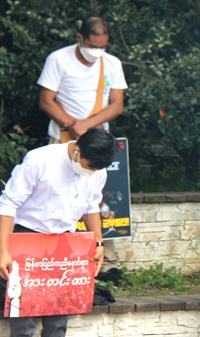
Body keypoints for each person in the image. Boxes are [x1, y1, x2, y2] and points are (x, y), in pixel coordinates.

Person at [0, 128, 117, 337]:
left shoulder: (98, 171)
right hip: (28, 237)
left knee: (59, 314)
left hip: (65, 242)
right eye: (89, 167)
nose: (92, 172)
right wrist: (2, 250)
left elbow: (91, 207)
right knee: (24, 314)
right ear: (77, 150)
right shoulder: (39, 160)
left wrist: (98, 243)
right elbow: (8, 204)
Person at [37, 16, 127, 275]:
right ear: (80, 38)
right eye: (92, 46)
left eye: (103, 47)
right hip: (63, 139)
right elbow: (46, 100)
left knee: (96, 199)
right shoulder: (58, 59)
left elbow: (116, 104)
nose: (97, 52)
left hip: (97, 139)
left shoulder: (111, 63)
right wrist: (70, 123)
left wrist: (87, 125)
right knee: (56, 194)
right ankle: (54, 257)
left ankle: (104, 260)